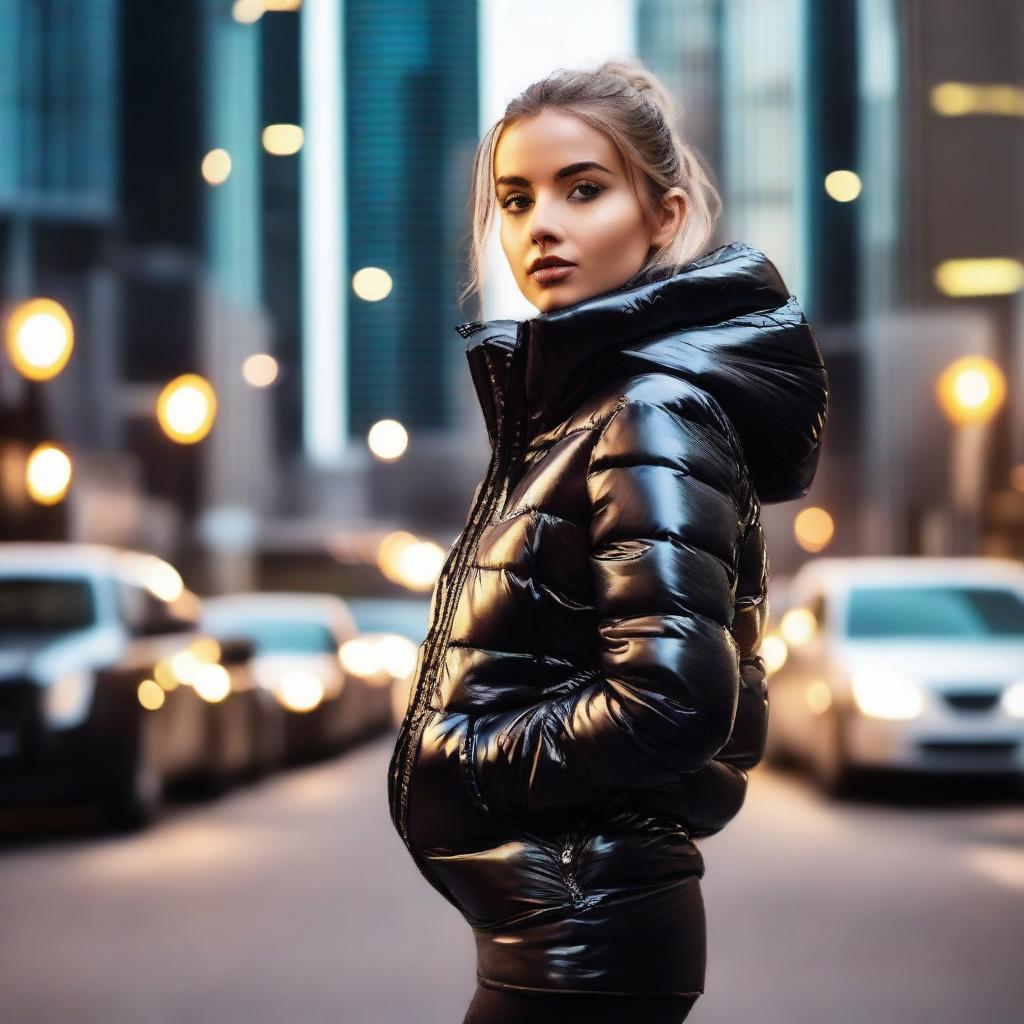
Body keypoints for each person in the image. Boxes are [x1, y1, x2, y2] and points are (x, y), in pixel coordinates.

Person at [386, 59, 829, 1023]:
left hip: (587, 935)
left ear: (663, 216)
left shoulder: (649, 413)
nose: (540, 223)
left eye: (583, 188)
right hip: (565, 925)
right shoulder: (580, 415)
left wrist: (461, 753)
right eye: (516, 198)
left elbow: (674, 699)